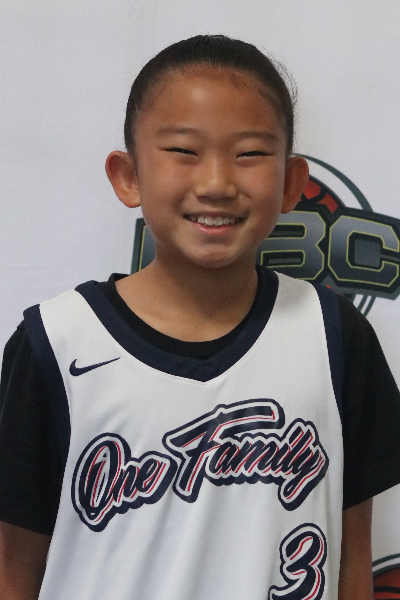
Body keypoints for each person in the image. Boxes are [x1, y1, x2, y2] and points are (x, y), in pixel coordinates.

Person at [1, 35, 400, 600]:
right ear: (128, 175)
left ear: (292, 183)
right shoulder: (56, 343)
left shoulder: (335, 336)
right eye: (184, 151)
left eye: (250, 154)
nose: (216, 184)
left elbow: (352, 556)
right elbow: (15, 568)